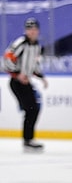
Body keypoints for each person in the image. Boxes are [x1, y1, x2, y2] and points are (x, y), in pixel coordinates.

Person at [4, 17, 48, 152]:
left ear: (38, 31)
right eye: (29, 29)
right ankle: (28, 140)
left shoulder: (37, 47)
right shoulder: (21, 43)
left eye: (34, 29)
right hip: (17, 83)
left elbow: (33, 65)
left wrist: (42, 77)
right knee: (31, 109)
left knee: (33, 109)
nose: (32, 32)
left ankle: (28, 140)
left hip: (26, 82)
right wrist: (17, 74)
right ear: (25, 31)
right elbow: (7, 59)